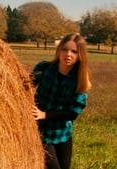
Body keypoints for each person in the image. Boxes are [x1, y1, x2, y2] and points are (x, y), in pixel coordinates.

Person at [31, 33, 91, 169]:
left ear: (80, 55)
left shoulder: (80, 80)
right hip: (41, 132)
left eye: (74, 51)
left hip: (63, 133)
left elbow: (73, 113)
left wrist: (45, 114)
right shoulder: (43, 68)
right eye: (64, 49)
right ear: (59, 51)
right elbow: (25, 89)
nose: (68, 54)